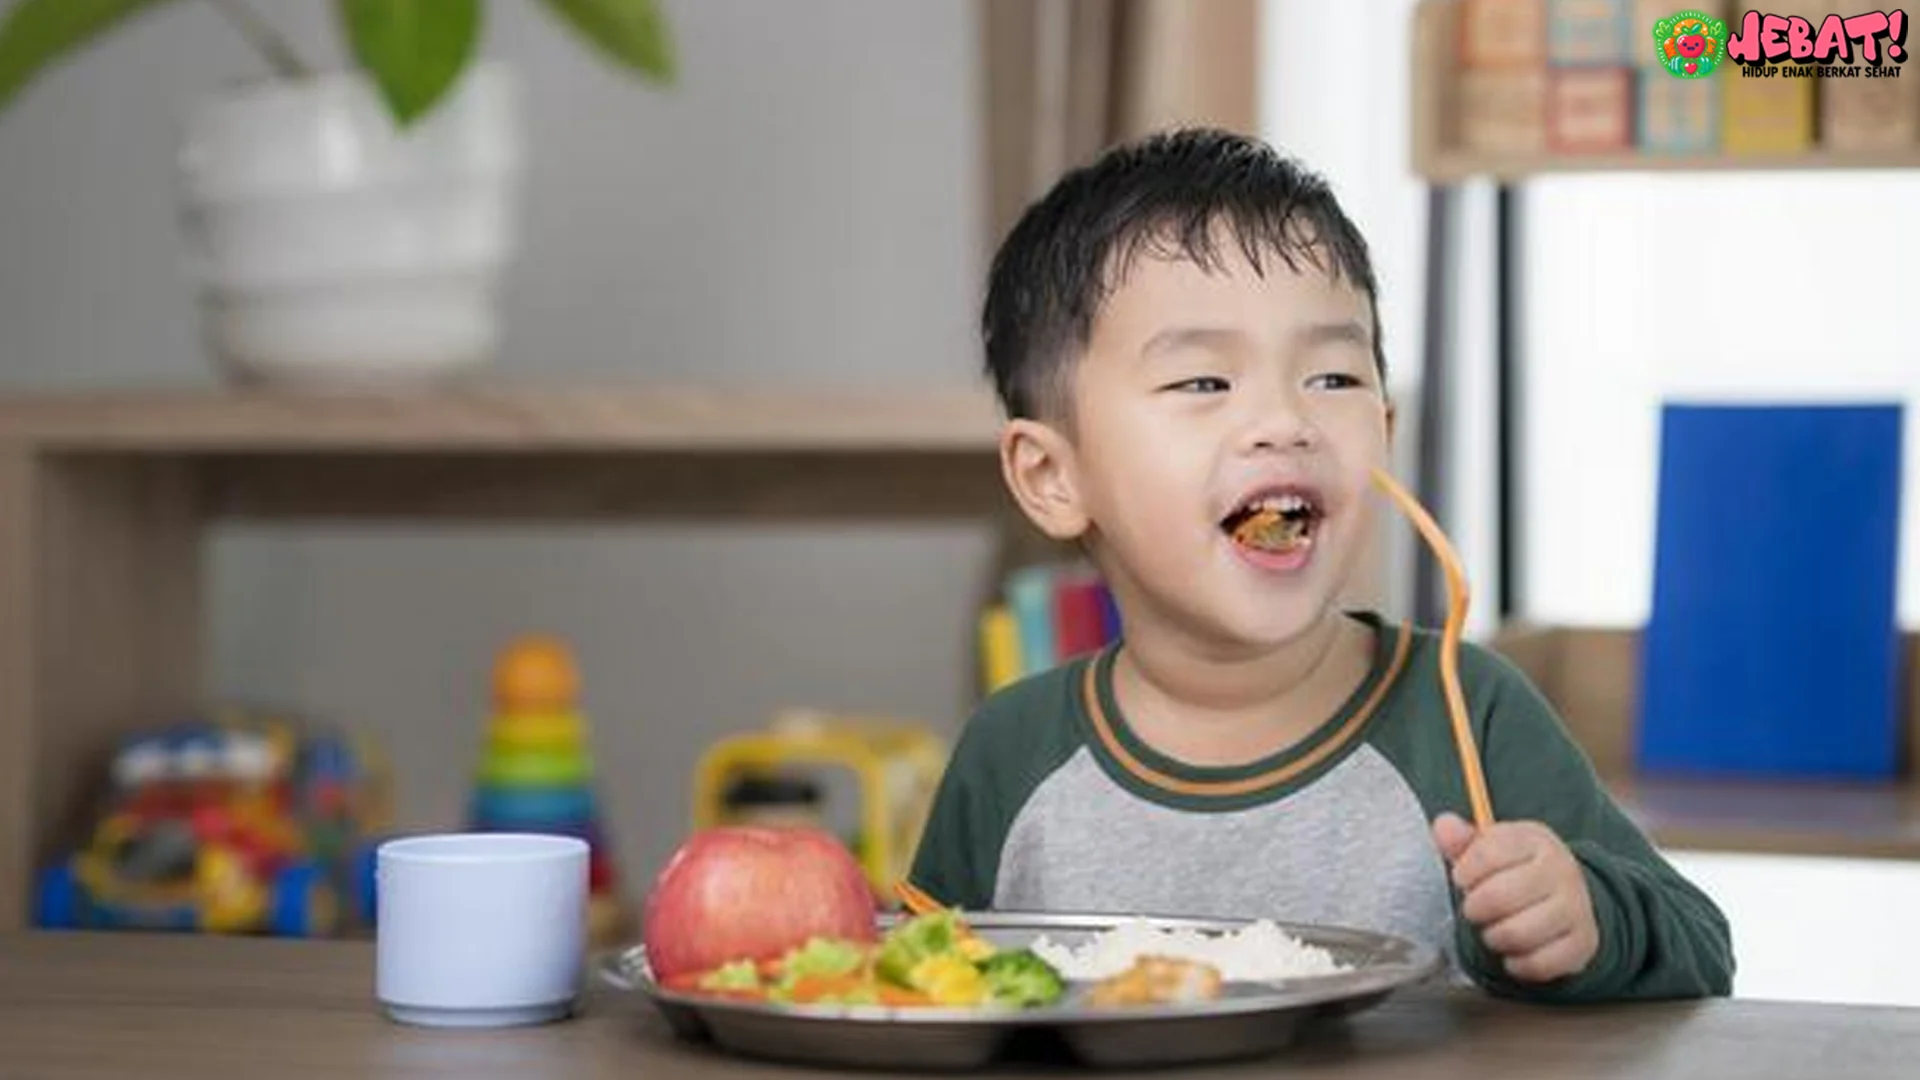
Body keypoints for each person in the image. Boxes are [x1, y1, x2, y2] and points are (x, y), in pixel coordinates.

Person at [907, 127, 1733, 1002]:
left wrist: (1584, 918)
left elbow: (1700, 950)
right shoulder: (1010, 754)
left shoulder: (1466, 710)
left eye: (1334, 379)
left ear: (1385, 431)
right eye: (1203, 384)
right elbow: (915, 988)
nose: (1285, 422)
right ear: (1053, 476)